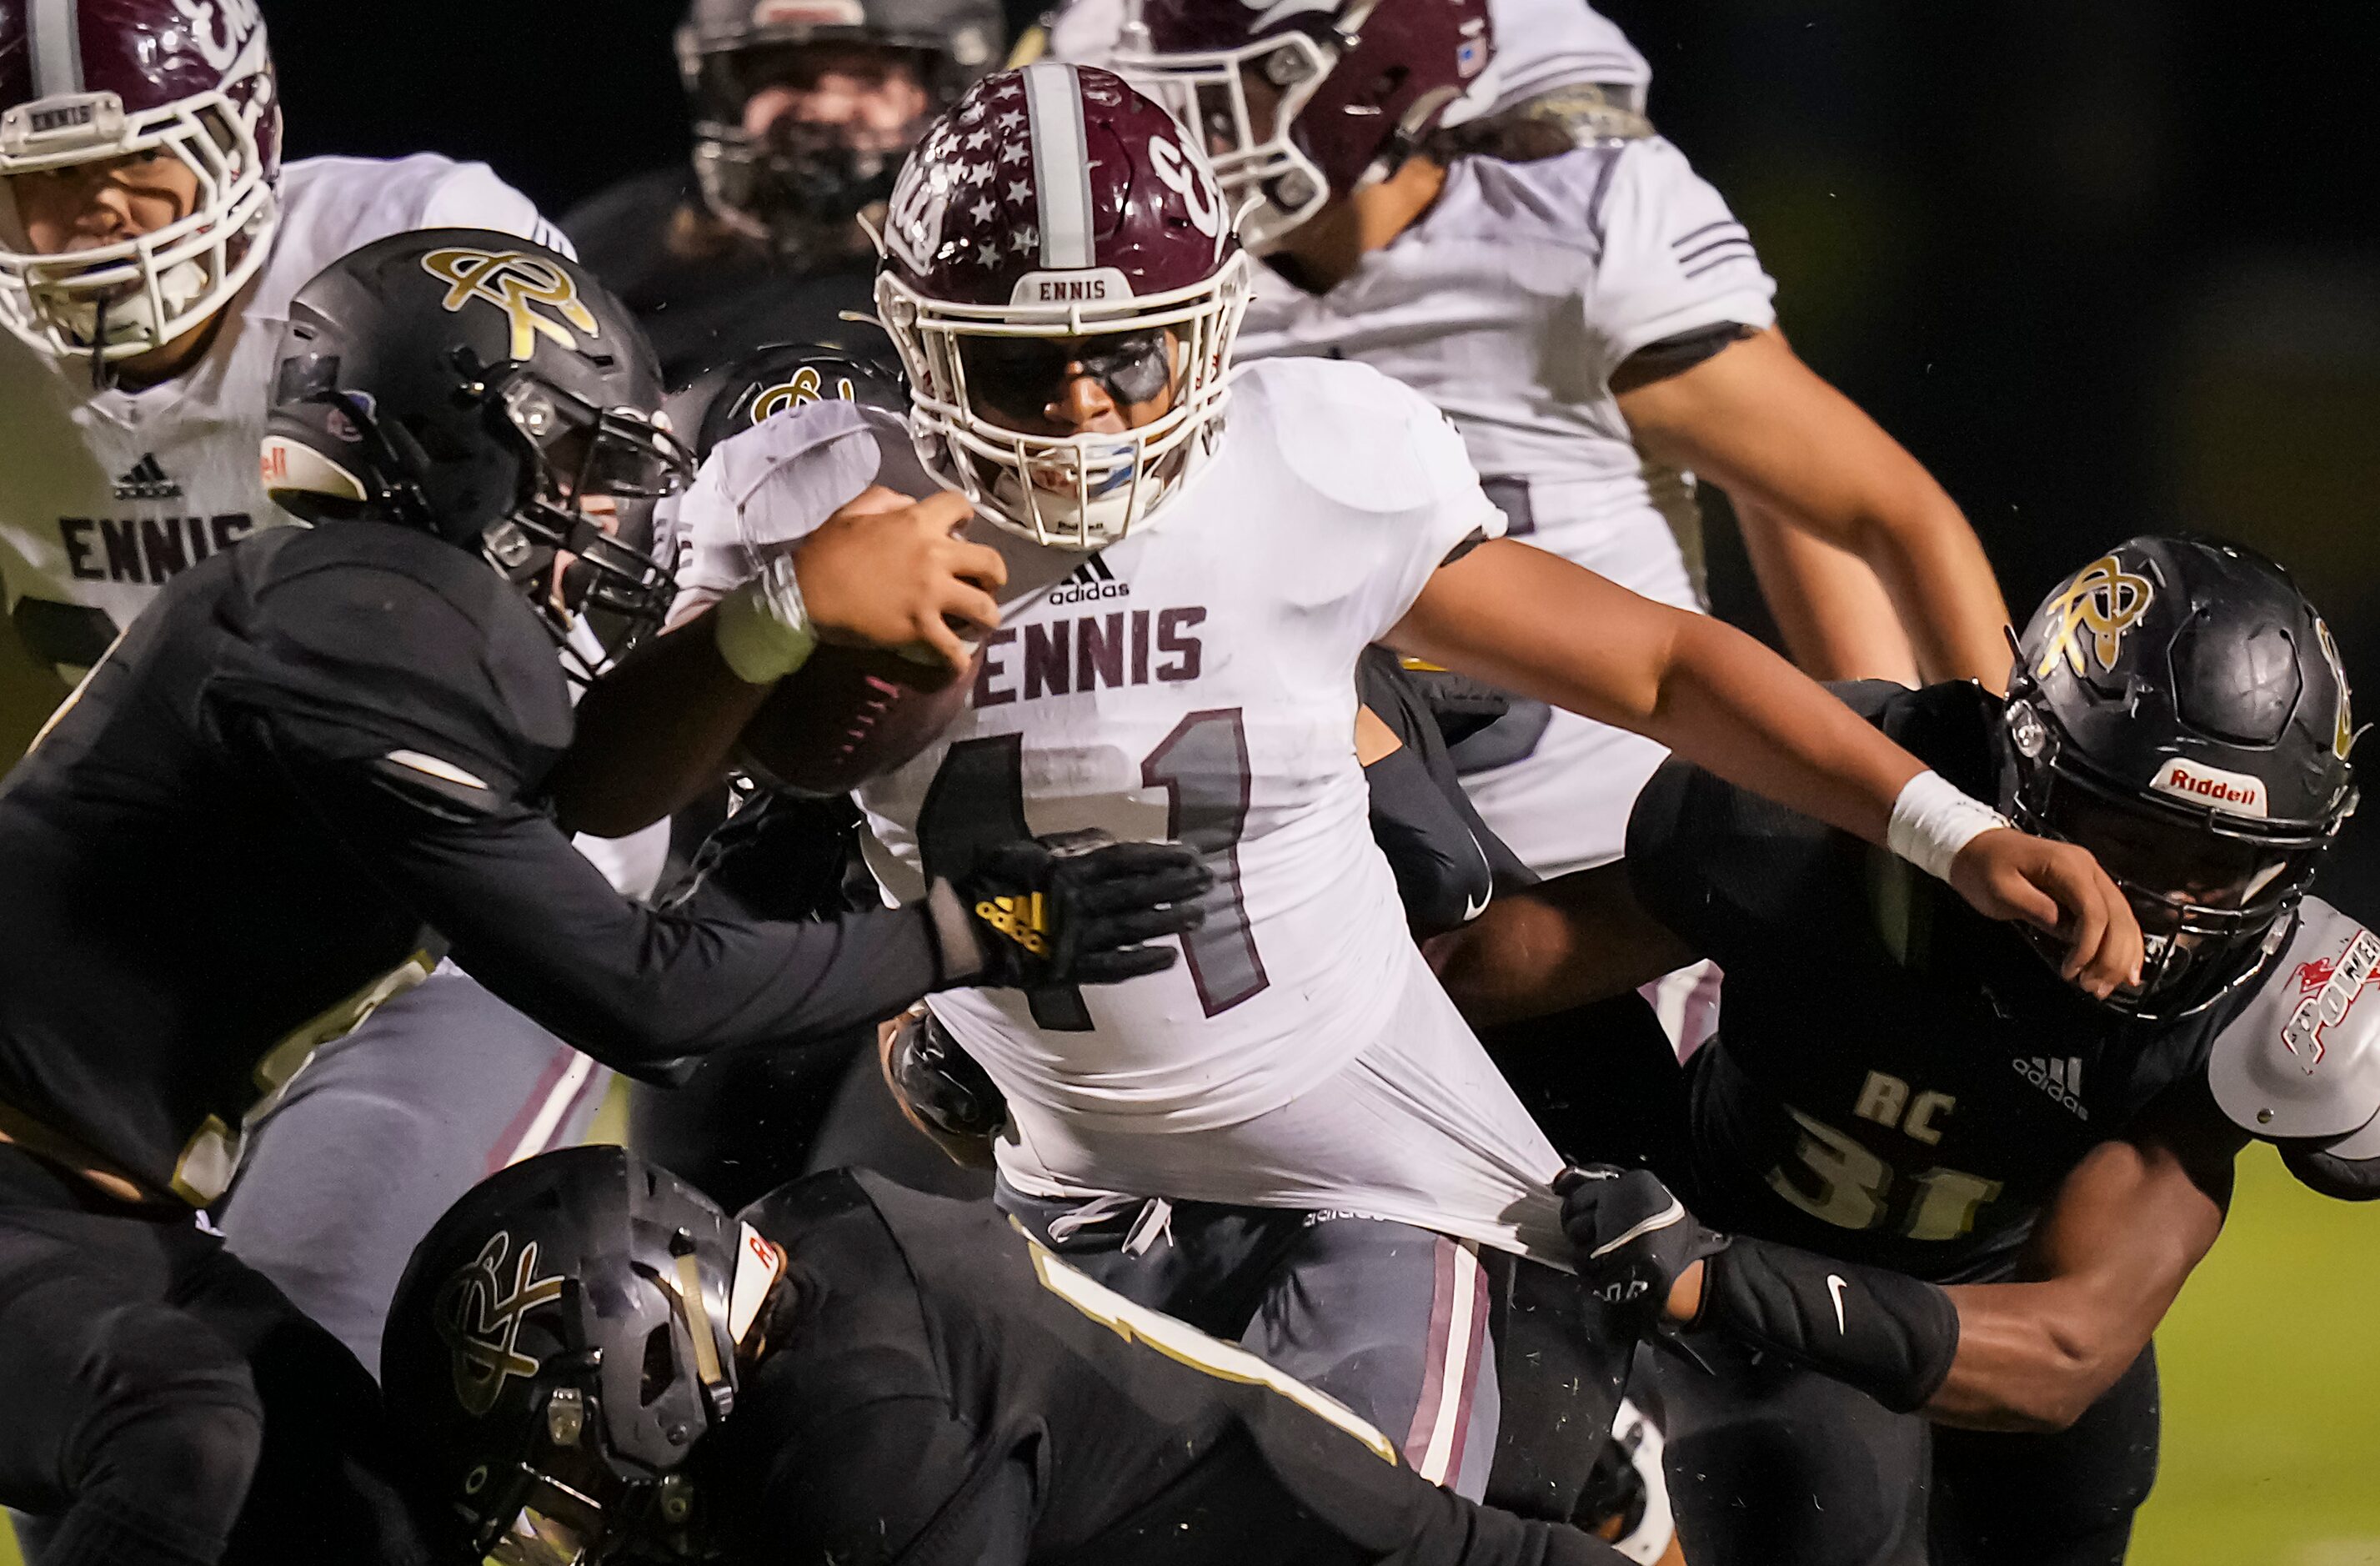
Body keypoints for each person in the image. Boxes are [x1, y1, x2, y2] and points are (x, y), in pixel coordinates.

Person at [553, 63, 2142, 1508]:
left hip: (1375, 1148)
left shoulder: (1305, 457)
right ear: (920, 340)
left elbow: (1658, 665)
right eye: (1033, 367)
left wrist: (1948, 821)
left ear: (1205, 323)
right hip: (1066, 1175)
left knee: (1377, 1515)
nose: (1093, 408)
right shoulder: (823, 488)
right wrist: (780, 617)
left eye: (1126, 351)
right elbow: (615, 789)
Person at [0, 228, 1210, 1566]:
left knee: (365, 1519)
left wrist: (779, 619)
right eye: (578, 461)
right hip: (25, 1185)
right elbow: (642, 996)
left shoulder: (357, 610)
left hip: (89, 1206)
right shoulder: (362, 624)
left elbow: (577, 795)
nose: (604, 511)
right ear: (457, 434)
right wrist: (961, 932)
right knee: (183, 1429)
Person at [1435, 536, 2365, 1565]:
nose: (2161, 916)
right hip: (1719, 1223)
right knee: (1810, 1502)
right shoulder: (1825, 814)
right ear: (2022, 765)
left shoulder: (2268, 1003)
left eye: (2218, 867)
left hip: (1984, 1313)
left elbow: (2063, 1350)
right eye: (2130, 843)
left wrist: (1712, 1275)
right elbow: (1492, 969)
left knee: (2062, 1502)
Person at [0, 0, 656, 1383]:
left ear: (245, 134)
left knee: (326, 1309)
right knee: (78, 1367)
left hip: (443, 895)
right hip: (148, 936)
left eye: (133, 171)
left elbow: (556, 621)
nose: (92, 226)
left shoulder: (413, 256)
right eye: (40, 186)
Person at [1102, 0, 2013, 895]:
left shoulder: (1568, 242)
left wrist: (1987, 812)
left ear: (1356, 85)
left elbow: (1875, 510)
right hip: (1347, 893)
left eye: (1221, 101)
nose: (1180, 135)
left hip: (1616, 878)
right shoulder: (1179, 301)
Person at [384, 1145, 1643, 1566]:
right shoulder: (808, 1225)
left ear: (645, 1348)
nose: (579, 1510)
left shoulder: (855, 1446)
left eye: (564, 1451)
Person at [564, 0, 1002, 392]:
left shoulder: (993, 258)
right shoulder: (619, 245)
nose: (825, 109)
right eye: (789, 76)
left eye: (869, 78)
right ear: (731, 92)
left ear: (941, 93)